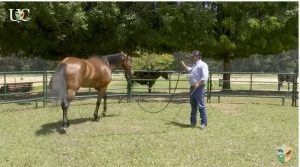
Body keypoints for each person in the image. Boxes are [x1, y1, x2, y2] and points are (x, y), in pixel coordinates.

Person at [181, 50, 209, 130]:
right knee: (193, 106)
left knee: (201, 106)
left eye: (192, 56)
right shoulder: (194, 65)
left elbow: (205, 77)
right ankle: (193, 122)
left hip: (199, 88)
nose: (191, 57)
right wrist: (183, 65)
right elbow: (190, 70)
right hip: (192, 87)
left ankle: (204, 123)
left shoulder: (203, 65)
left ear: (197, 56)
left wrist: (198, 83)